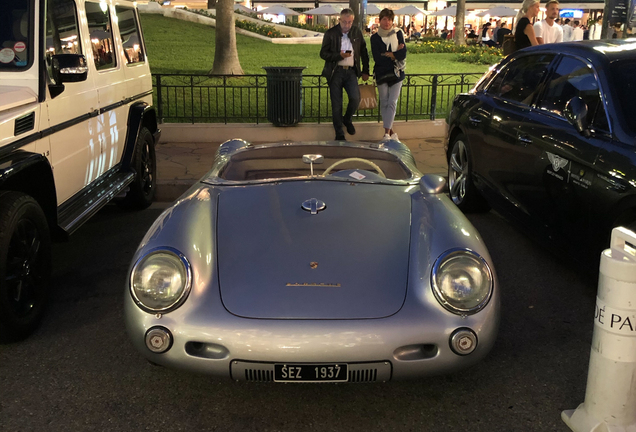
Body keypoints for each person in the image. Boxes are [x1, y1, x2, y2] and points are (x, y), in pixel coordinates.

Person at [320, 8, 370, 141]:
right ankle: (339, 133)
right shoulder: (331, 33)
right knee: (337, 104)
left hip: (351, 72)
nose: (347, 25)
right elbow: (323, 53)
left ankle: (347, 119)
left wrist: (366, 70)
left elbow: (364, 52)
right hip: (335, 72)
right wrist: (338, 56)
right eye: (344, 22)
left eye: (350, 22)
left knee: (355, 98)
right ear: (339, 20)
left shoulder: (356, 32)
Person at [371, 8, 406, 141]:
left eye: (390, 19)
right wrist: (393, 55)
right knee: (384, 102)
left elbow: (403, 54)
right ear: (380, 21)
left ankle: (386, 133)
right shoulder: (375, 38)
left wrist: (389, 54)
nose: (387, 22)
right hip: (381, 74)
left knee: (392, 102)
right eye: (384, 19)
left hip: (397, 73)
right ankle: (391, 133)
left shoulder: (398, 34)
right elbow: (377, 58)